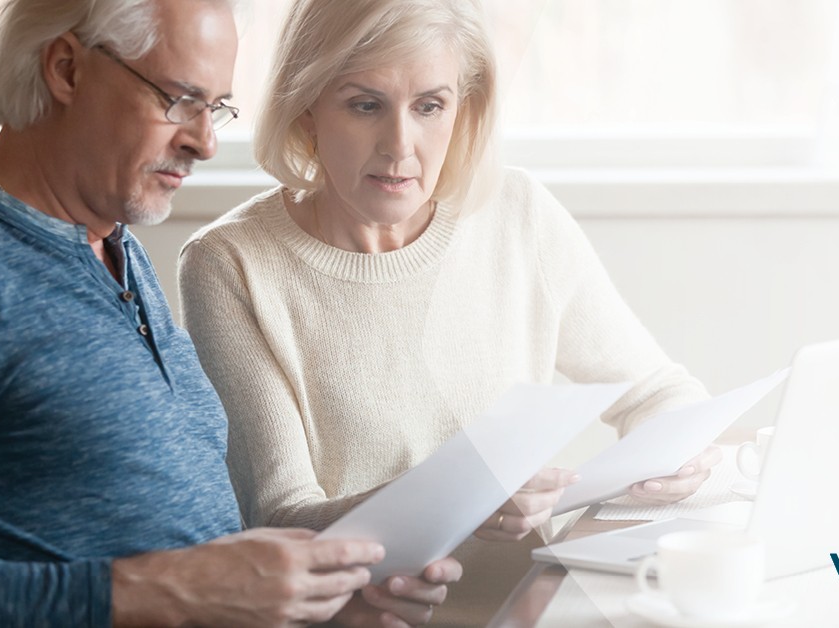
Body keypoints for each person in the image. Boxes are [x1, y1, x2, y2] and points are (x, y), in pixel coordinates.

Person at [0, 0, 460, 626]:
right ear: (67, 70)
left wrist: (315, 602)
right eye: (180, 100)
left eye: (214, 108)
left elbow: (169, 553)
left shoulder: (114, 248)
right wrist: (167, 590)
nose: (205, 142)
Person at [178, 0, 722, 624]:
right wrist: (460, 497)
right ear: (306, 107)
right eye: (365, 104)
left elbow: (661, 391)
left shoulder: (518, 213)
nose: (400, 146)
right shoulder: (229, 263)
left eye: (430, 106)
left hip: (541, 609)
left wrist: (681, 453)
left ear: (463, 110)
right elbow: (283, 519)